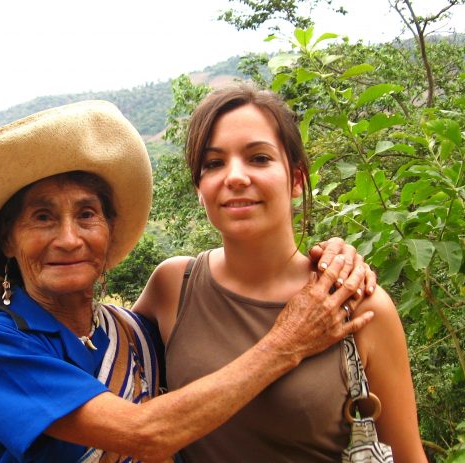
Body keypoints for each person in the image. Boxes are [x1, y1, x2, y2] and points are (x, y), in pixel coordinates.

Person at [0, 100, 373, 463]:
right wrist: (288, 342)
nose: (69, 238)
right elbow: (146, 432)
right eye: (42, 217)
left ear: (109, 230)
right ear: (7, 239)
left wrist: (334, 257)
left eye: (86, 214)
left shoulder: (132, 331)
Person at [132, 84, 426, 462]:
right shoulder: (173, 286)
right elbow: (105, 363)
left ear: (297, 178)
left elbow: (408, 455)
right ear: (199, 189)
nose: (235, 177)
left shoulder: (357, 303)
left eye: (258, 158)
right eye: (214, 163)